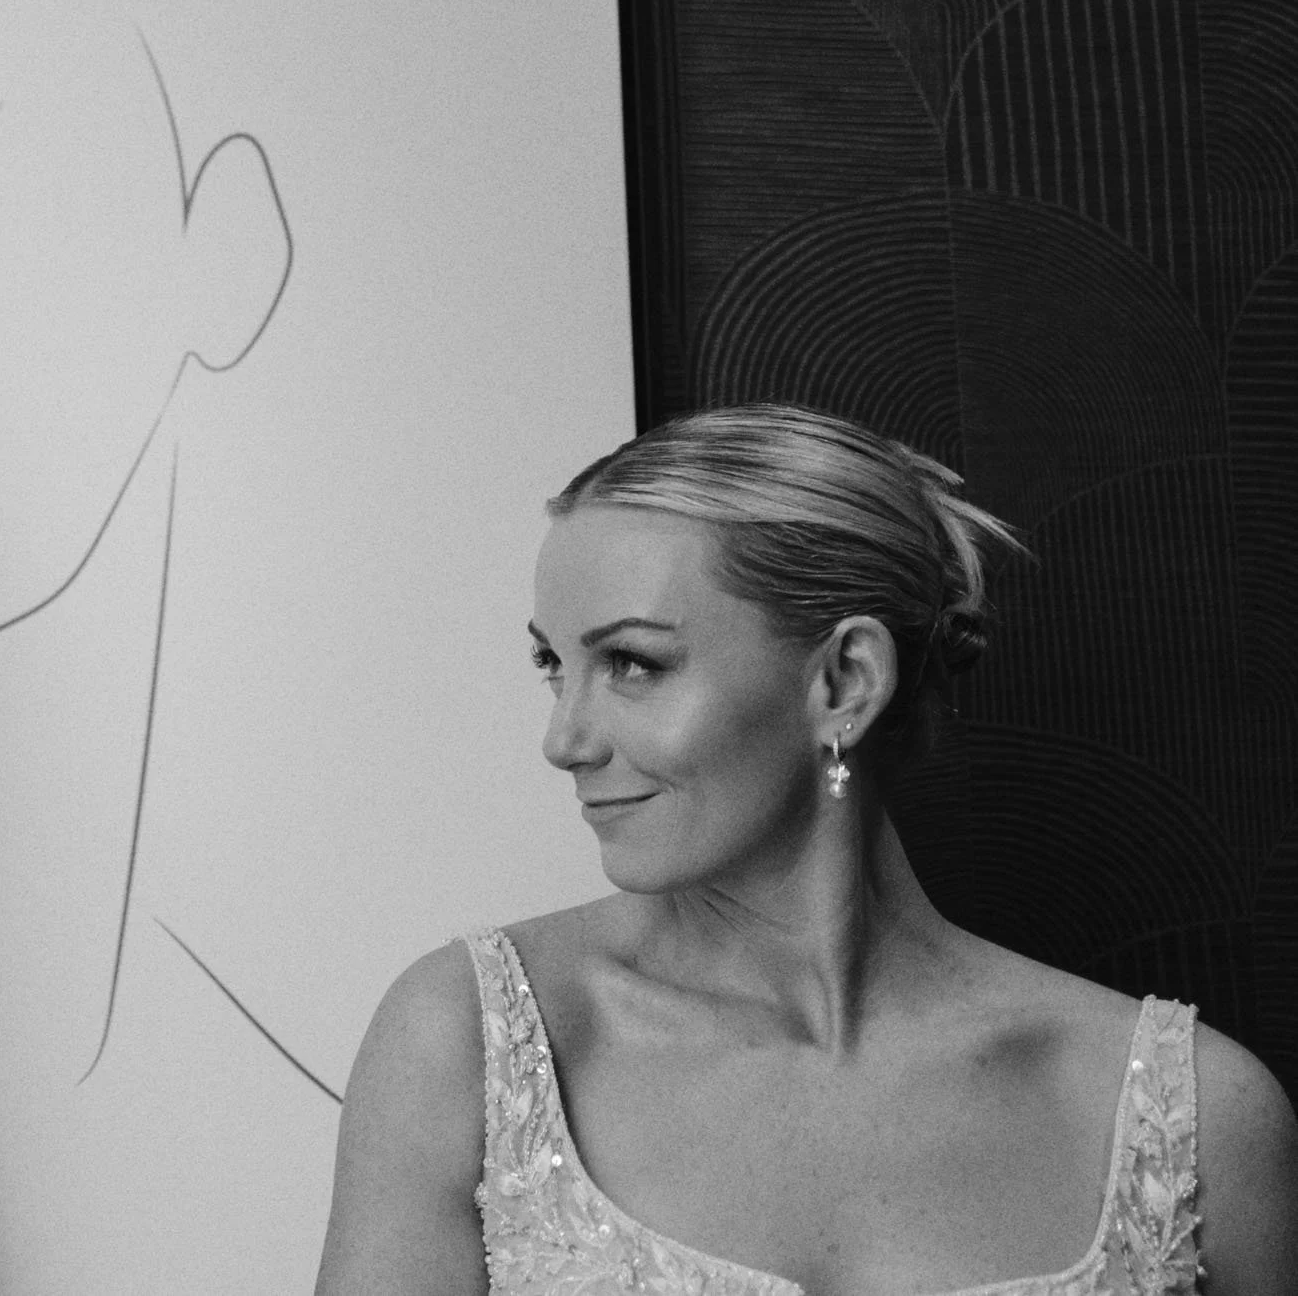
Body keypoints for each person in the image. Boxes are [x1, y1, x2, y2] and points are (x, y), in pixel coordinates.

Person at [317, 404, 1297, 1293]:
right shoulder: (467, 1046)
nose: (564, 739)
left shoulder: (1197, 1116)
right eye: (552, 665)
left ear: (843, 683)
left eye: (631, 663)